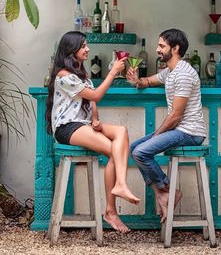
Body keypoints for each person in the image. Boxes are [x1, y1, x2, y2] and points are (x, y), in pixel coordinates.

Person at [46, 31, 140, 233]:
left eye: (87, 45)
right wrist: (113, 72)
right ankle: (111, 209)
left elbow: (92, 102)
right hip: (67, 128)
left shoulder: (83, 76)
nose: (87, 49)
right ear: (71, 50)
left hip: (84, 124)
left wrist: (95, 120)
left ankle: (119, 187)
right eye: (83, 46)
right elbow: (96, 94)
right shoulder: (64, 77)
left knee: (121, 132)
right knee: (114, 150)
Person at [127, 28, 207, 223]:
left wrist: (156, 135)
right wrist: (136, 80)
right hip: (178, 130)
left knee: (141, 152)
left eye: (162, 46)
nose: (157, 50)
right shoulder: (170, 72)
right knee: (133, 148)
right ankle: (164, 193)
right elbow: (147, 81)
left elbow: (176, 116)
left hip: (190, 132)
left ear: (176, 48)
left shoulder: (184, 74)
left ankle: (168, 190)